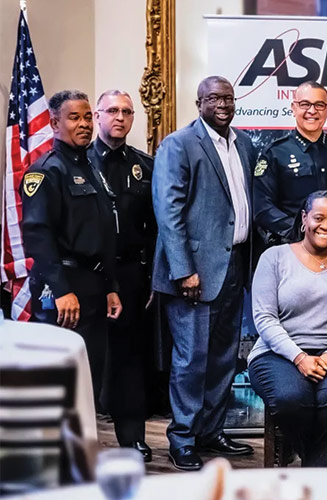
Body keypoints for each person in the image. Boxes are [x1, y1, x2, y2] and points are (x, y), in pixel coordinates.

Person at [152, 76, 255, 471]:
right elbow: (169, 211)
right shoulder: (178, 144)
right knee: (191, 360)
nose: (223, 104)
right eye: (214, 98)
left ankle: (211, 431)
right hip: (193, 274)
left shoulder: (242, 143)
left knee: (224, 359)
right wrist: (183, 271)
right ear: (199, 103)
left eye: (228, 97)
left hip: (234, 266)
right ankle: (183, 438)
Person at [249, 190, 327, 467]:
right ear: (305, 218)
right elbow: (265, 318)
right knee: (290, 397)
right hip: (278, 352)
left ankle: (311, 470)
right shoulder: (274, 258)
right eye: (319, 218)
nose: (326, 226)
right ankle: (317, 467)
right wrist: (299, 357)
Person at [21, 90, 122, 404]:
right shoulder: (47, 170)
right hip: (62, 288)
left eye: (87, 116)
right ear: (54, 123)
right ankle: (55, 452)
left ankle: (81, 449)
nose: (84, 124)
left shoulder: (89, 166)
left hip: (93, 286)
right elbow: (38, 236)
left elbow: (102, 234)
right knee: (59, 381)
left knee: (89, 377)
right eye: (74, 117)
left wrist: (110, 286)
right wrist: (62, 290)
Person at [87, 89, 155, 462]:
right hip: (88, 274)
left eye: (127, 111)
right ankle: (84, 441)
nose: (120, 117)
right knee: (88, 357)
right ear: (97, 115)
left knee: (130, 359)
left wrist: (155, 277)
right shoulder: (78, 163)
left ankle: (133, 440)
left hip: (130, 273)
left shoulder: (145, 167)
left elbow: (159, 227)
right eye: (112, 110)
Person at [253, 81, 327, 245]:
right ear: (294, 107)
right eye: (305, 104)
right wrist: (300, 231)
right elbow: (262, 209)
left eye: (319, 105)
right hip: (293, 248)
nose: (312, 111)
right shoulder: (275, 153)